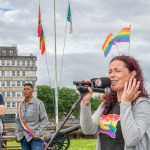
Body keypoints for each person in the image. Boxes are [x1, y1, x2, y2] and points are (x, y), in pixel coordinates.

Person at [80, 55, 150, 150]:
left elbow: (132, 140)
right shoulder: (107, 103)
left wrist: (125, 103)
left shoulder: (142, 104)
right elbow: (89, 130)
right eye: (110, 71)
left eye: (117, 71)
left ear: (132, 74)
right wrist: (85, 102)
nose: (112, 75)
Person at [15, 83, 49, 150]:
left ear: (32, 91)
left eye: (28, 89)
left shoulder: (39, 103)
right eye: (24, 89)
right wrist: (17, 135)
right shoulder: (20, 105)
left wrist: (38, 133)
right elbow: (18, 121)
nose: (26, 91)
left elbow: (45, 120)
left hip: (35, 138)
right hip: (23, 137)